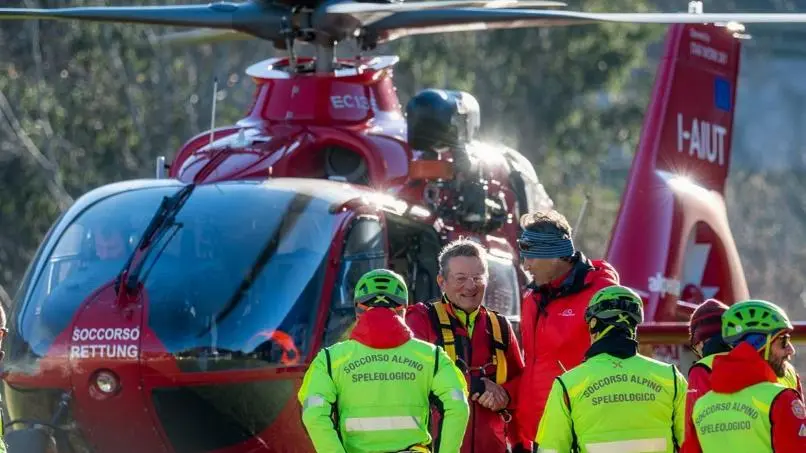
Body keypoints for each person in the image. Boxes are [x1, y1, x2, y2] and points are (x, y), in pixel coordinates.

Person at [297, 269, 470, 453]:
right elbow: (458, 406)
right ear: (403, 309)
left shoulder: (330, 360)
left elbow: (314, 414)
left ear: (358, 310)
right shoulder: (432, 357)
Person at [405, 238, 526, 453]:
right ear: (442, 282)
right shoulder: (420, 319)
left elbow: (522, 385)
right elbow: (414, 377)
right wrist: (476, 385)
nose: (470, 286)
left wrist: (505, 396)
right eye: (460, 278)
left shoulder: (500, 326)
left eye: (477, 277)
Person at [535, 285, 687, 452]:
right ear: (633, 328)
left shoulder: (568, 384)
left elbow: (551, 449)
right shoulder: (669, 377)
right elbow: (690, 442)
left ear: (593, 325)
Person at [515, 210, 620, 448]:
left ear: (555, 255)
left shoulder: (599, 292)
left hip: (583, 428)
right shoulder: (533, 297)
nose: (526, 265)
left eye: (531, 257)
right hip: (541, 431)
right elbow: (534, 364)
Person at [690, 299, 806, 453]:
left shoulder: (701, 405)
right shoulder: (782, 399)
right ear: (761, 344)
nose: (791, 350)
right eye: (783, 341)